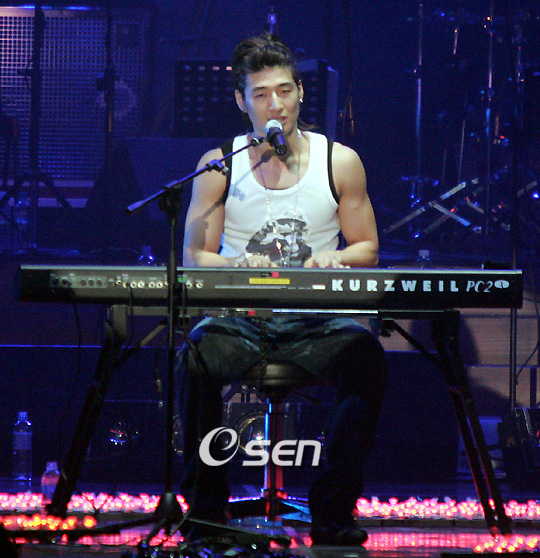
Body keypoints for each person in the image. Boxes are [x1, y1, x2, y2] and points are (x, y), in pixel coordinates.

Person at [177, 32, 388, 546]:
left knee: (366, 360)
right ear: (241, 101)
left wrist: (336, 256)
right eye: (261, 94)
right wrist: (235, 263)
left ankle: (333, 510)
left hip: (316, 323)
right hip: (241, 322)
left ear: (300, 93)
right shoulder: (219, 164)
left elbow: (367, 248)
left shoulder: (339, 160)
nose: (276, 104)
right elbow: (195, 257)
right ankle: (206, 510)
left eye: (285, 90)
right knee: (197, 357)